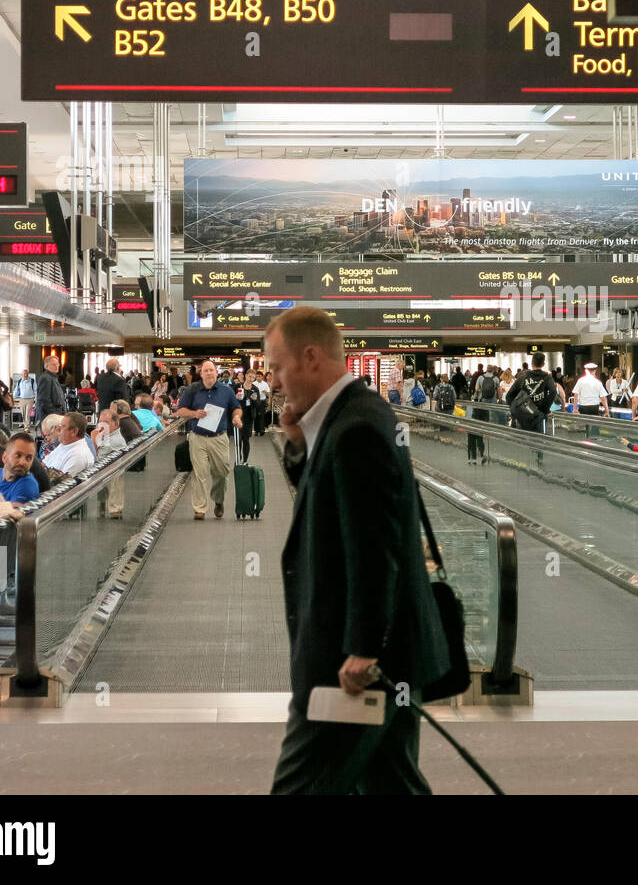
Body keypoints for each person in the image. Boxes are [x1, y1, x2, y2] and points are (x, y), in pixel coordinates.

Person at [265, 306, 449, 794]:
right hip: (382, 655)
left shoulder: (358, 428)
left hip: (354, 664)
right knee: (390, 784)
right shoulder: (350, 418)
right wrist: (299, 446)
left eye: (277, 367)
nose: (273, 382)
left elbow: (375, 548)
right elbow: (338, 512)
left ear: (310, 358)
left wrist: (364, 648)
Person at [176, 358, 243, 520]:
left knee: (222, 472)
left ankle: (218, 500)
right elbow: (180, 410)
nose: (209, 373)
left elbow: (236, 408)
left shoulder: (226, 391)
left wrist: (236, 418)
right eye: (205, 370)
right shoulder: (192, 390)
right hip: (197, 437)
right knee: (200, 473)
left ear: (216, 372)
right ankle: (200, 508)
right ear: (201, 374)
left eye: (211, 370)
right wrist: (194, 414)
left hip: (219, 438)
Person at [506, 351, 556, 432]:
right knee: (540, 442)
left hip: (522, 418)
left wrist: (517, 409)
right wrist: (545, 410)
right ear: (543, 364)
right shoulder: (547, 377)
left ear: (532, 363)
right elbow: (553, 392)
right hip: (538, 417)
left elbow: (509, 396)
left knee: (523, 443)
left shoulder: (523, 376)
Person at [43, 411, 94, 481]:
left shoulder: (78, 455)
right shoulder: (64, 445)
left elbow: (60, 483)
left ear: (74, 431)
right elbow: (44, 463)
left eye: (62, 426)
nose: (58, 429)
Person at [0, 432, 41, 506]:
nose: (23, 462)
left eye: (28, 458)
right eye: (18, 455)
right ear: (4, 457)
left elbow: (11, 514)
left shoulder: (28, 485)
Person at [468, 366, 501, 465]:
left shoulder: (481, 378)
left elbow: (476, 389)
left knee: (475, 431)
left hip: (481, 404)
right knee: (491, 418)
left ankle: (473, 457)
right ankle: (492, 429)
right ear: (493, 370)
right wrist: (499, 399)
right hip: (493, 402)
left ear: (486, 369)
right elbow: (499, 390)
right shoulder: (495, 378)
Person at [35, 355, 67, 433]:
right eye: (53, 364)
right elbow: (44, 400)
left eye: (58, 364)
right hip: (50, 418)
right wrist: (54, 415)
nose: (57, 366)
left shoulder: (53, 377)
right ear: (46, 366)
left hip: (56, 415)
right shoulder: (45, 378)